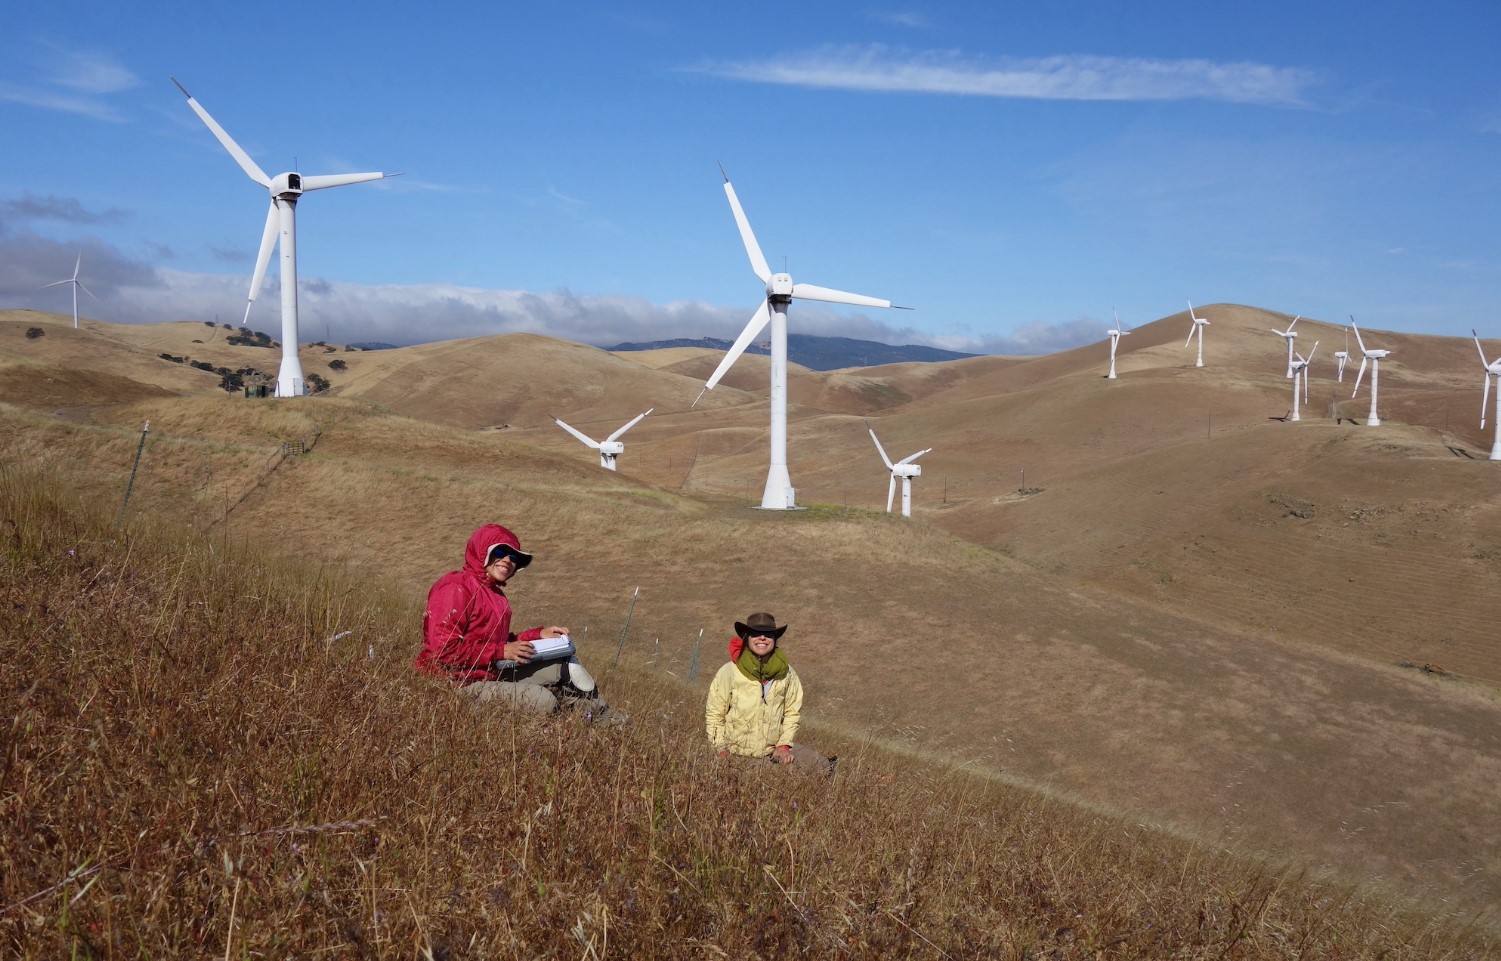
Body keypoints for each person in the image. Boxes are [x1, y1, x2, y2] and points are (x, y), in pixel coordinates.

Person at [417, 523, 623, 723]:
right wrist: (501, 652)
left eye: (513, 557)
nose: (507, 560)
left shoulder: (495, 596)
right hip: (455, 685)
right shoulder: (455, 587)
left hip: (490, 672)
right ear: (482, 552)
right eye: (500, 552)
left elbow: (499, 642)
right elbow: (441, 652)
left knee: (567, 667)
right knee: (543, 701)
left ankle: (607, 720)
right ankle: (565, 721)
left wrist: (538, 634)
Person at [705, 612, 834, 774]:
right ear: (746, 637)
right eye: (755, 634)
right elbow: (715, 714)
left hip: (773, 750)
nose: (762, 638)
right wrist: (721, 751)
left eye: (768, 634)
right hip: (736, 754)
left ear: (775, 639)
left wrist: (783, 745)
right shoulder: (729, 672)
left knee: (823, 766)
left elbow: (792, 713)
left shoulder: (787, 673)